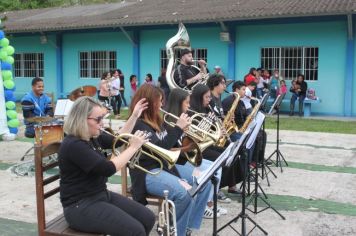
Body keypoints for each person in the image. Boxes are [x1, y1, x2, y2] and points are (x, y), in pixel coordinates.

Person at [58, 96, 155, 236]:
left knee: (148, 218)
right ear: (81, 119)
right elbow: (108, 169)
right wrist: (133, 148)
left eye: (102, 118)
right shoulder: (73, 145)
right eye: (98, 119)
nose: (102, 123)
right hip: (79, 206)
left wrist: (134, 116)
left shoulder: (92, 136)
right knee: (135, 231)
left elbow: (117, 140)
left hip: (100, 195)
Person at [129, 84, 211, 236]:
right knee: (185, 194)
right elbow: (160, 148)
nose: (162, 105)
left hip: (164, 167)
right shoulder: (139, 125)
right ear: (148, 103)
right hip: (147, 172)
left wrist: (186, 135)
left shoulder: (158, 120)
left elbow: (171, 145)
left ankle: (186, 227)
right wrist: (178, 128)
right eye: (159, 101)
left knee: (204, 182)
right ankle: (175, 231)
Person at [165, 88, 228, 219]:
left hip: (185, 160)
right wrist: (189, 145)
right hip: (176, 164)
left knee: (216, 167)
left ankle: (209, 203)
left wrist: (208, 129)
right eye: (187, 103)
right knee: (207, 173)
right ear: (178, 103)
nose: (189, 106)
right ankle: (204, 206)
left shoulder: (185, 118)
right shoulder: (169, 123)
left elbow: (189, 142)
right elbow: (171, 149)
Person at [190, 83, 242, 197]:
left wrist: (217, 126)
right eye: (207, 97)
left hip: (207, 144)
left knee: (229, 152)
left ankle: (226, 185)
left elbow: (211, 129)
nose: (209, 100)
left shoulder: (205, 109)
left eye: (210, 97)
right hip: (199, 148)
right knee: (222, 157)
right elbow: (199, 135)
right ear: (199, 97)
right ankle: (216, 188)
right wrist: (215, 130)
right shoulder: (192, 111)